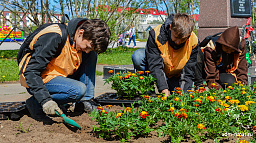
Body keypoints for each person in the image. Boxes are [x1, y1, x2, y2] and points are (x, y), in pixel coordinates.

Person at [20, 18, 111, 121]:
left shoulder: (78, 39)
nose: (86, 51)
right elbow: (31, 72)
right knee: (78, 90)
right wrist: (45, 100)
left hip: (59, 75)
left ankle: (86, 101)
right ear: (81, 32)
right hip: (37, 79)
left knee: (91, 54)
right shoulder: (54, 36)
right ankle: (35, 103)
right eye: (87, 46)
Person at [132, 13, 202, 97]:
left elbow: (188, 71)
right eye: (176, 37)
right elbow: (155, 65)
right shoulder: (156, 34)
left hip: (177, 76)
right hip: (160, 72)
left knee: (178, 93)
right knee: (138, 56)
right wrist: (163, 88)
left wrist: (183, 95)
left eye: (183, 39)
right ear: (171, 27)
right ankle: (148, 90)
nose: (178, 42)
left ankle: (171, 87)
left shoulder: (193, 41)